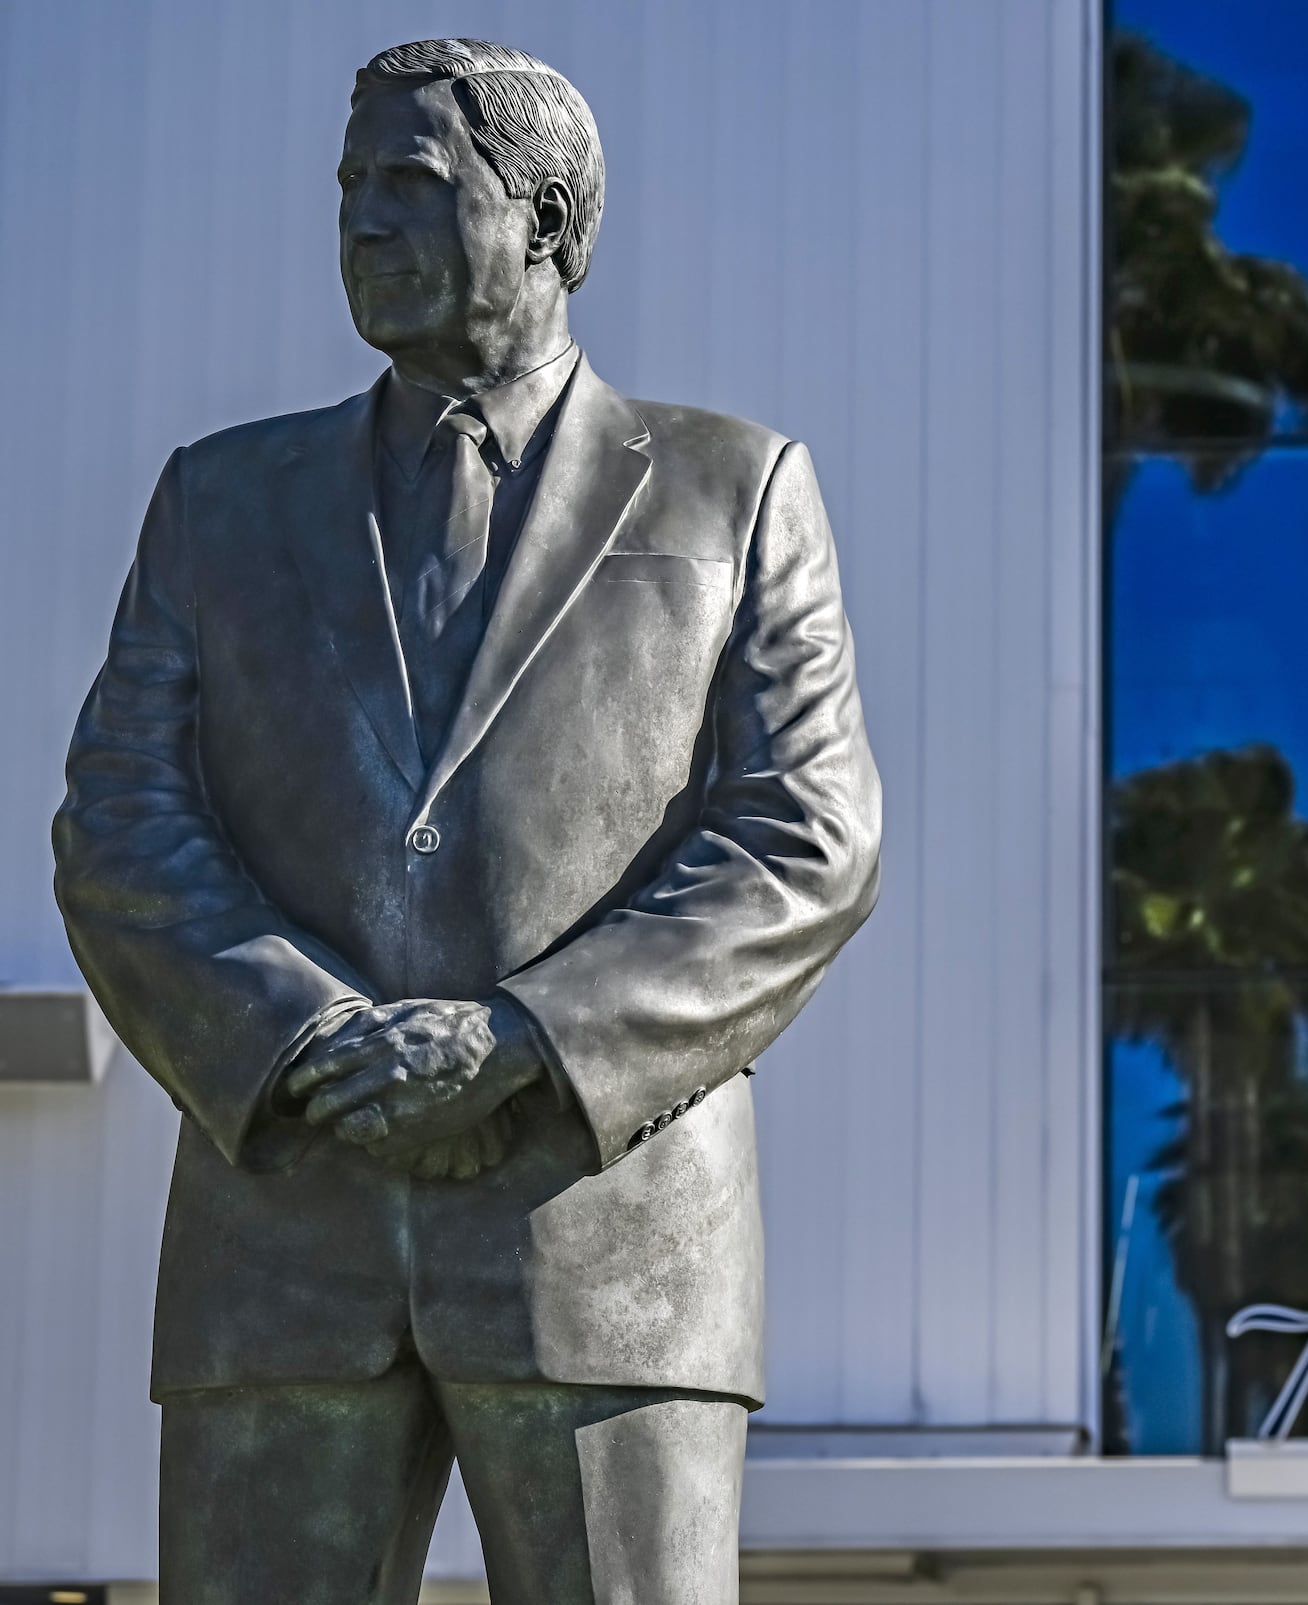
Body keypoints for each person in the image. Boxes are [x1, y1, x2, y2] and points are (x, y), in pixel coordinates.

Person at [51, 37, 880, 1603]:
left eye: (412, 184)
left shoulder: (733, 491)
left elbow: (805, 837)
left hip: (608, 1243)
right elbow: (118, 824)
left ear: (551, 222)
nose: (361, 220)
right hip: (285, 1232)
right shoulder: (218, 502)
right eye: (349, 187)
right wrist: (303, 1039)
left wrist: (521, 1037)